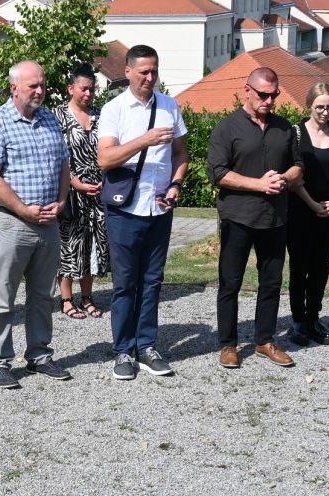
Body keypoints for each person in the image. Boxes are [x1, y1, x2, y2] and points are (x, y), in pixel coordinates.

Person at [0, 61, 71, 389]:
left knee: (43, 294)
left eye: (42, 84)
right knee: (4, 295)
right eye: (33, 86)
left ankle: (39, 355)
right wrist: (23, 210)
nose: (40, 91)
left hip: (47, 221)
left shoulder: (49, 119)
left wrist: (61, 200)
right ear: (14, 88)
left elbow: (63, 164)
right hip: (11, 221)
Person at [97, 45, 189, 381]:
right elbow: (105, 159)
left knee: (152, 281)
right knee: (125, 284)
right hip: (126, 208)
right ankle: (123, 350)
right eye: (144, 72)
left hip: (159, 207)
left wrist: (176, 184)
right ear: (128, 72)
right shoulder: (114, 109)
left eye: (154, 71)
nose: (150, 78)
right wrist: (144, 140)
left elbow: (181, 154)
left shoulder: (169, 106)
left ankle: (147, 346)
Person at [208, 67, 302, 369]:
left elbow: (298, 165)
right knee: (230, 283)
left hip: (275, 218)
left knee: (272, 283)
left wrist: (284, 178)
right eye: (263, 94)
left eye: (274, 95)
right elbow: (218, 173)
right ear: (247, 90)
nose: (269, 100)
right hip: (237, 218)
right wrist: (259, 184)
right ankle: (228, 344)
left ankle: (265, 340)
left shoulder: (284, 127)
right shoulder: (226, 128)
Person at [53, 64, 110, 321]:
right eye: (84, 89)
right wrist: (74, 182)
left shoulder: (100, 116)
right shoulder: (57, 117)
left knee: (91, 245)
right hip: (70, 192)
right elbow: (54, 156)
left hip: (97, 193)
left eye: (92, 89)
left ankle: (87, 297)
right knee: (69, 244)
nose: (88, 94)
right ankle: (66, 299)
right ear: (71, 88)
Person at [287, 82, 329, 347]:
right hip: (300, 212)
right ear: (309, 105)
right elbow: (293, 178)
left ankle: (313, 319)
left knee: (320, 269)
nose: (325, 112)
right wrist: (312, 204)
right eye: (320, 107)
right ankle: (298, 321)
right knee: (300, 268)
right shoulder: (295, 133)